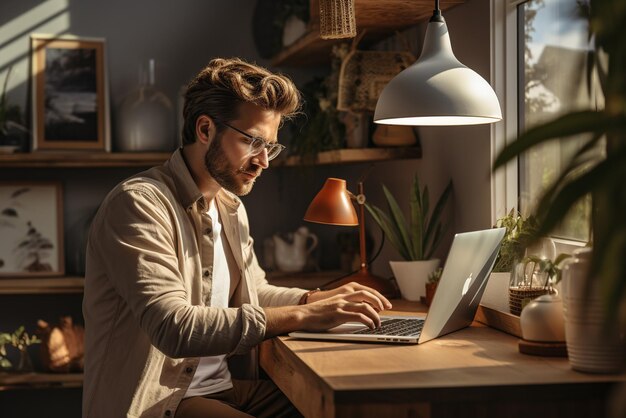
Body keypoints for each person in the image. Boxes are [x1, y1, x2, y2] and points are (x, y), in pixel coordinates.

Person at [82, 57, 392, 418]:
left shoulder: (229, 205)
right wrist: (304, 316)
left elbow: (253, 292)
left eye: (271, 147)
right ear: (205, 129)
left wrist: (316, 299)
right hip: (163, 402)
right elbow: (173, 327)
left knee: (353, 409)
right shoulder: (138, 203)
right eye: (253, 142)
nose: (264, 161)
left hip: (224, 389)